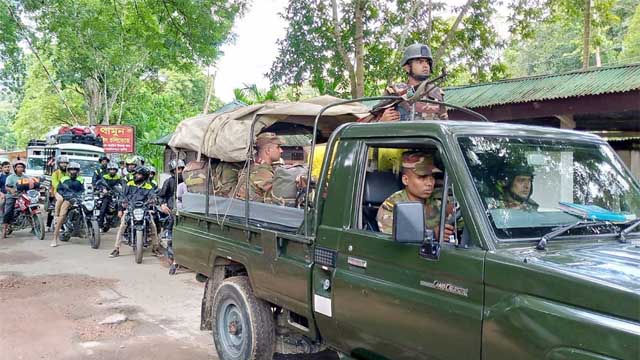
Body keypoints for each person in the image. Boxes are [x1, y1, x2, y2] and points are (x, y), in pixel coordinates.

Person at [376, 152, 454, 239]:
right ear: (406, 180)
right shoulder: (391, 207)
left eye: (432, 176)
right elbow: (395, 243)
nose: (429, 183)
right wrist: (433, 233)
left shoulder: (439, 200)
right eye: (422, 177)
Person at [377, 44, 448, 122]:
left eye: (427, 62)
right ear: (407, 68)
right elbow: (371, 122)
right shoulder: (395, 91)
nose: (425, 66)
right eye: (420, 62)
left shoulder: (436, 92)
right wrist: (382, 121)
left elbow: (445, 122)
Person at [109, 166, 161, 258]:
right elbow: (123, 196)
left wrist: (153, 200)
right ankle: (116, 249)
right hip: (130, 209)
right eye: (136, 174)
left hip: (144, 209)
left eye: (139, 174)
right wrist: (120, 209)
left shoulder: (148, 186)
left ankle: (155, 248)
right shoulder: (129, 184)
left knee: (153, 226)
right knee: (122, 226)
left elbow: (153, 195)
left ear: (144, 176)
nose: (136, 176)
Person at [236, 132, 284, 203]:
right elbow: (276, 200)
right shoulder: (263, 173)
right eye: (278, 147)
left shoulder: (252, 168)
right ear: (268, 150)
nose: (281, 150)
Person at [51, 162, 85, 247]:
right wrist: (67, 195)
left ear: (78, 171)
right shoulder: (64, 179)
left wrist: (83, 194)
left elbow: (83, 190)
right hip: (68, 199)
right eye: (71, 169)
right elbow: (60, 190)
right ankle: (54, 238)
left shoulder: (81, 179)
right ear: (68, 170)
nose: (73, 171)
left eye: (75, 169)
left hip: (78, 199)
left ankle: (81, 230)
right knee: (62, 216)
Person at [3, 160, 38, 238]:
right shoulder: (10, 177)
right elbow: (7, 187)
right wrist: (11, 190)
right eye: (18, 167)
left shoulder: (26, 177)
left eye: (22, 167)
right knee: (8, 210)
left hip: (23, 195)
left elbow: (31, 185)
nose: (20, 168)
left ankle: (34, 226)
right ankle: (4, 230)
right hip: (12, 196)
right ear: (15, 168)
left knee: (31, 206)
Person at [158, 159, 185, 239]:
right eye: (178, 169)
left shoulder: (187, 180)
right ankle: (168, 233)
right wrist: (162, 205)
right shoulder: (169, 181)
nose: (180, 171)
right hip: (172, 206)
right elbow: (160, 195)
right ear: (173, 171)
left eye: (182, 169)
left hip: (185, 206)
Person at [95, 162, 122, 230]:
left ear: (116, 170)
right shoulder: (105, 176)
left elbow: (123, 185)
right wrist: (104, 189)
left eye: (114, 169)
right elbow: (101, 184)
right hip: (107, 195)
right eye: (111, 169)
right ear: (108, 170)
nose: (112, 171)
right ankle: (100, 225)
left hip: (116, 194)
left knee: (122, 207)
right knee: (103, 209)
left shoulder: (119, 177)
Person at [51, 155, 70, 223]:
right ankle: (56, 216)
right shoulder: (55, 173)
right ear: (59, 164)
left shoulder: (70, 173)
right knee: (60, 199)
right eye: (62, 163)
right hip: (59, 192)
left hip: (69, 192)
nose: (64, 164)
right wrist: (62, 186)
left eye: (66, 163)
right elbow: (55, 183)